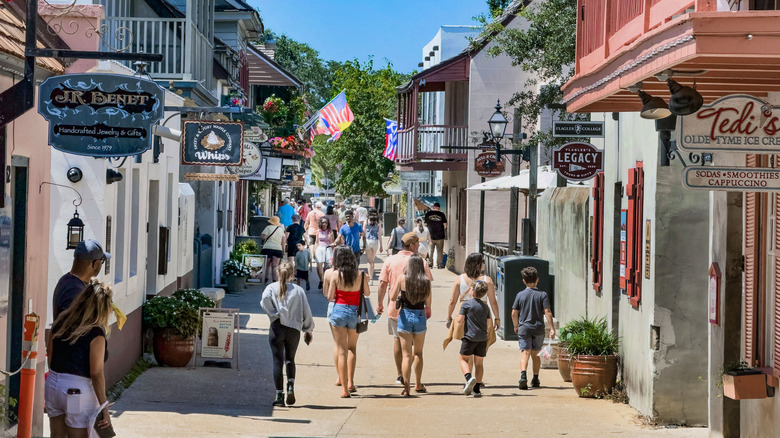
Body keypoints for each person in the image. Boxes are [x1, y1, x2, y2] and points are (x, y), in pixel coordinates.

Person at [46, 280, 114, 438]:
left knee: (56, 435)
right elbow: (96, 373)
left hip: (53, 383)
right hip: (76, 390)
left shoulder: (62, 321)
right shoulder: (96, 333)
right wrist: (104, 406)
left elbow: (50, 352)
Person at [377, 232, 433, 386]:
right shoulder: (421, 262)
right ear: (412, 246)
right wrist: (428, 307)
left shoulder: (390, 260)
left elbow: (382, 284)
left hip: (396, 309)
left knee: (398, 341)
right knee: (417, 350)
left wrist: (380, 303)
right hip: (418, 309)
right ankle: (417, 382)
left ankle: (400, 375)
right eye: (417, 244)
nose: (419, 246)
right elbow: (428, 285)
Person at [260, 261, 315, 407]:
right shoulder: (298, 290)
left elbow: (264, 300)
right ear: (292, 274)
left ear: (278, 273)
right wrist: (308, 329)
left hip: (277, 327)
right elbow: (306, 311)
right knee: (290, 358)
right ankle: (290, 386)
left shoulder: (271, 288)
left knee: (277, 361)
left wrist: (274, 314)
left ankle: (279, 395)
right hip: (293, 329)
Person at [444, 253, 500, 376]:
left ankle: (468, 377)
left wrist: (448, 317)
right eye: (482, 262)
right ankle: (477, 379)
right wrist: (497, 318)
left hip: (464, 313)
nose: (484, 264)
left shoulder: (460, 279)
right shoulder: (487, 280)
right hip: (482, 313)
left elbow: (452, 301)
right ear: (478, 264)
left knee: (467, 347)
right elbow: (493, 302)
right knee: (480, 350)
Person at [327, 247, 371, 398]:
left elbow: (329, 297)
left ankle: (344, 389)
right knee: (352, 348)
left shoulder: (335, 275)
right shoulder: (361, 274)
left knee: (341, 350)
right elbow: (367, 293)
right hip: (354, 312)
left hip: (338, 310)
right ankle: (351, 381)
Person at [389, 254, 432, 396]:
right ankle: (418, 384)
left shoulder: (402, 278)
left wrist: (401, 296)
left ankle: (406, 388)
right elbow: (428, 303)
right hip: (420, 315)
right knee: (418, 353)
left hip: (405, 315)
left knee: (406, 355)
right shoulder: (426, 282)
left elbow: (392, 297)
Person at [511, 266, 555, 390]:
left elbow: (514, 312)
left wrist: (516, 325)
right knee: (536, 354)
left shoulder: (520, 295)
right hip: (538, 328)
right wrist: (552, 328)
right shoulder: (542, 294)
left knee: (525, 352)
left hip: (524, 328)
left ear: (523, 281)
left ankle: (523, 376)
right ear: (537, 280)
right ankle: (535, 379)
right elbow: (547, 311)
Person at [52, 239, 111, 321]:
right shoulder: (76, 291)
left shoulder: (66, 280)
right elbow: (73, 328)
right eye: (102, 261)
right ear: (95, 264)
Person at [458, 280, 491, 396]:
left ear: (472, 292)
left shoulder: (466, 305)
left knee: (463, 359)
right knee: (479, 363)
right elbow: (488, 324)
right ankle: (477, 388)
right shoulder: (486, 307)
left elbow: (460, 320)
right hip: (482, 338)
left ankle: (468, 378)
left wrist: (458, 317)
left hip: (469, 337)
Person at [261, 216, 286, 283]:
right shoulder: (280, 230)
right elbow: (283, 242)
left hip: (267, 247)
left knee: (267, 264)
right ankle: (275, 279)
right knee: (275, 265)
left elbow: (263, 237)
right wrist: (283, 250)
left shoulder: (268, 228)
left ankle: (265, 278)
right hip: (278, 248)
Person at [424, 202, 448, 268]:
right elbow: (445, 225)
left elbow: (425, 224)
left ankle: (430, 264)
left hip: (431, 236)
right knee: (440, 251)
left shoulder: (428, 214)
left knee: (431, 250)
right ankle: (439, 264)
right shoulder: (442, 214)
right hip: (440, 236)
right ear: (439, 207)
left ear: (433, 207)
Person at [363, 210, 383, 284]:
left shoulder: (366, 221)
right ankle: (371, 277)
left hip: (368, 241)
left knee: (369, 261)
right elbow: (380, 234)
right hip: (375, 241)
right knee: (372, 260)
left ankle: (370, 279)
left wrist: (362, 242)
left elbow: (363, 232)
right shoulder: (378, 222)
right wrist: (381, 246)